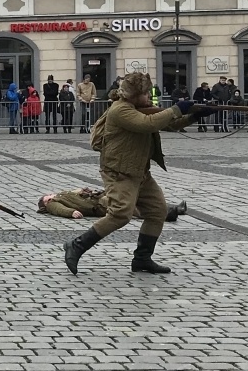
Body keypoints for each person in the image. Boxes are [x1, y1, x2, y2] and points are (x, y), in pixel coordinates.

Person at [62, 71, 212, 276]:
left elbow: (169, 123)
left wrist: (195, 115)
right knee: (121, 214)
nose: (149, 97)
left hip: (140, 172)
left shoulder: (139, 107)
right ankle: (76, 245)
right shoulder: (121, 110)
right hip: (119, 171)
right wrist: (177, 108)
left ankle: (142, 258)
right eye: (145, 93)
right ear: (134, 94)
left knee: (157, 211)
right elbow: (147, 124)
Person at [38, 187, 185, 223]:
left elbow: (74, 193)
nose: (50, 196)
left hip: (99, 197)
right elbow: (59, 209)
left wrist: (81, 190)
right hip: (99, 205)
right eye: (47, 198)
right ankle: (166, 214)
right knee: (129, 207)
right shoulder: (52, 203)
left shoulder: (61, 194)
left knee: (134, 197)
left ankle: (171, 208)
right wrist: (71, 212)